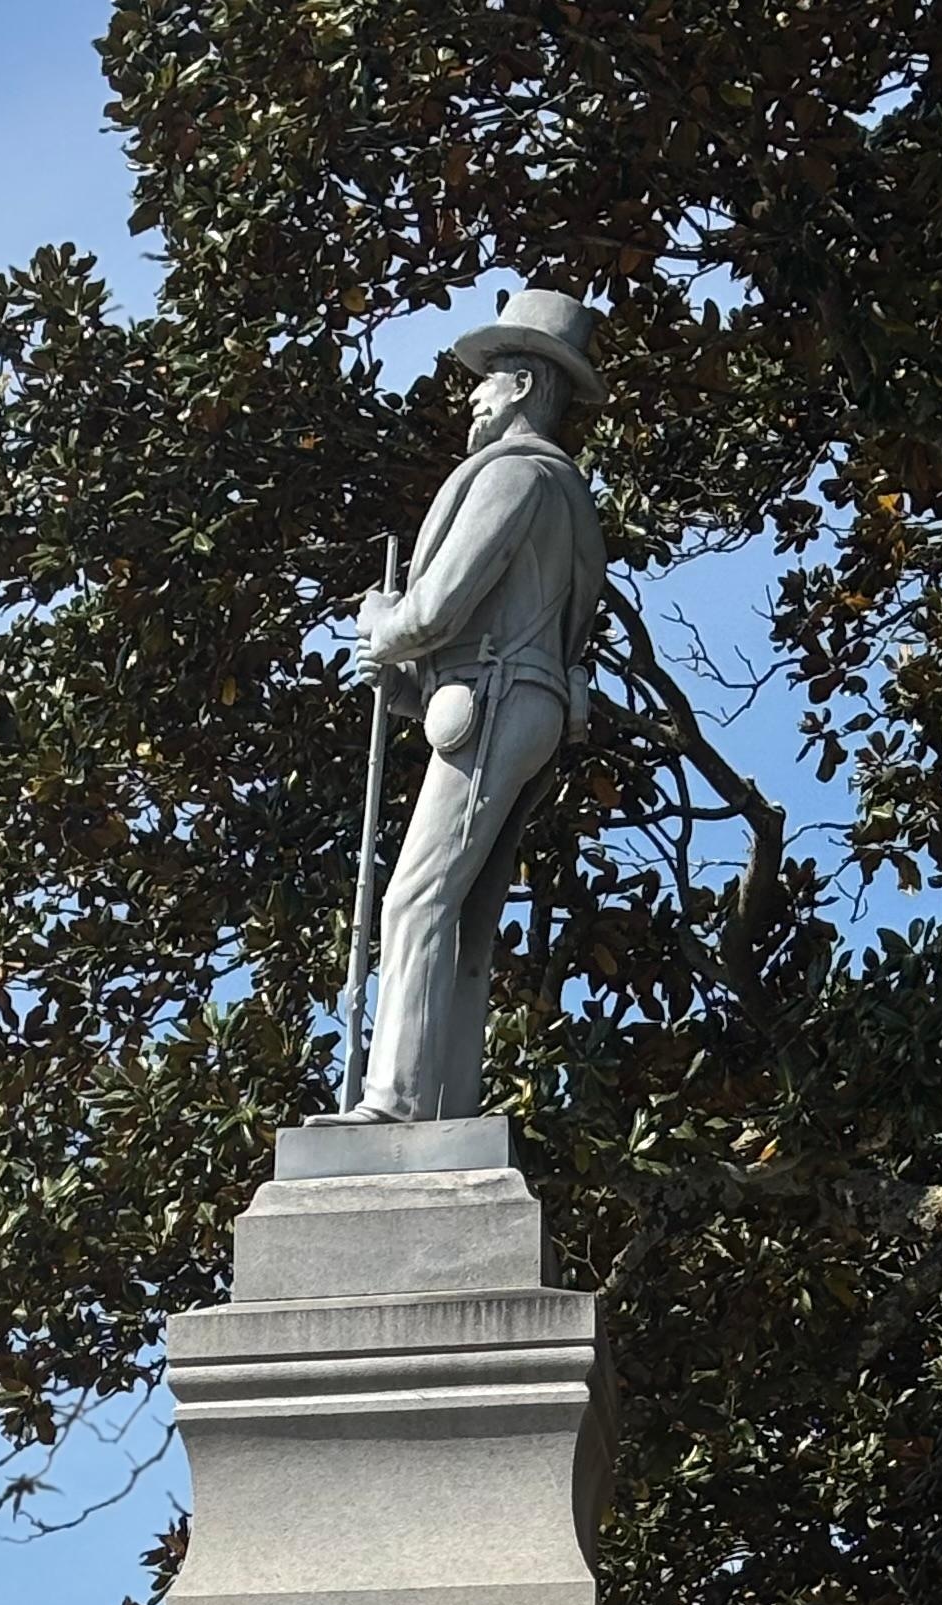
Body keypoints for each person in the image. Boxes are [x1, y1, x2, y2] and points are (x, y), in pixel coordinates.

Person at [350, 286, 608, 1125]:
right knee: (462, 912)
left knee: (415, 898)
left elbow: (438, 607)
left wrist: (383, 623)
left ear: (524, 385)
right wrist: (406, 682)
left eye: (488, 379)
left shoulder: (518, 474)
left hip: (497, 700)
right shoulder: (565, 493)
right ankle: (444, 1108)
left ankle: (392, 1103)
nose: (473, 396)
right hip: (517, 702)